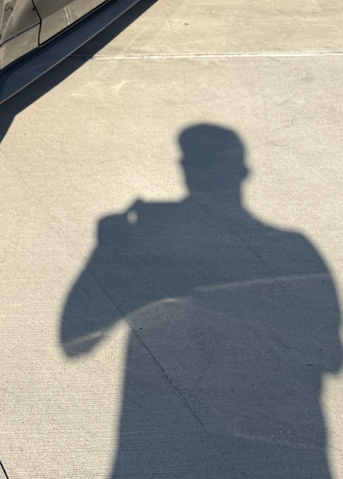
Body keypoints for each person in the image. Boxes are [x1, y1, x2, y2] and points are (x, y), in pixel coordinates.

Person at [61, 124, 341, 477]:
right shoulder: (293, 250)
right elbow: (329, 356)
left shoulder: (151, 245)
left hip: (172, 454)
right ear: (243, 172)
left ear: (186, 170)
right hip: (275, 454)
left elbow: (75, 339)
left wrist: (108, 252)